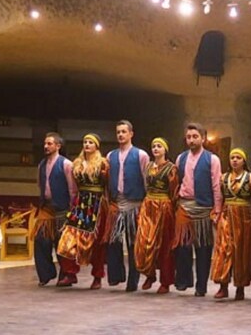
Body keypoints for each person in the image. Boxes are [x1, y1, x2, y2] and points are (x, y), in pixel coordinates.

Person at [173, 122, 222, 297]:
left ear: (203, 138)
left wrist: (217, 210)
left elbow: (216, 186)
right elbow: (178, 181)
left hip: (204, 207)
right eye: (189, 137)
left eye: (195, 137)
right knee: (182, 245)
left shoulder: (212, 159)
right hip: (185, 205)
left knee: (203, 248)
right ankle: (184, 280)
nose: (192, 140)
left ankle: (201, 286)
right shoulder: (181, 158)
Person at [57, 133, 109, 289]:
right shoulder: (77, 163)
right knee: (66, 240)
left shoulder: (103, 163)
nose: (87, 144)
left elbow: (108, 186)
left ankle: (97, 277)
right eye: (85, 142)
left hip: (97, 204)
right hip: (80, 205)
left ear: (96, 146)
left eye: (90, 142)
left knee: (96, 244)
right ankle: (70, 273)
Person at [105, 119, 149, 292]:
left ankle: (133, 281)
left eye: (124, 131)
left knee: (132, 244)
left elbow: (146, 180)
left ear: (131, 134)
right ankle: (116, 276)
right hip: (117, 203)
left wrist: (145, 204)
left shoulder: (141, 155)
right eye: (118, 132)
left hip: (135, 204)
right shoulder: (110, 156)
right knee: (113, 241)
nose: (121, 135)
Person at [211, 148, 251, 301]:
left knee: (242, 252)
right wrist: (217, 214)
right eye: (232, 157)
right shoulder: (223, 178)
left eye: (238, 157)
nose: (235, 160)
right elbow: (219, 197)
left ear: (244, 160)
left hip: (244, 218)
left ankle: (240, 287)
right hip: (226, 215)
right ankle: (223, 285)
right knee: (223, 249)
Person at [134, 137, 179, 294]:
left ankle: (165, 282)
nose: (156, 149)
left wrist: (172, 209)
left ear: (165, 149)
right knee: (145, 241)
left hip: (164, 207)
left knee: (164, 245)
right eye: (153, 146)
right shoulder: (148, 167)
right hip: (148, 205)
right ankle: (149, 273)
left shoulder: (171, 168)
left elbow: (174, 191)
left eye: (159, 146)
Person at [34, 132, 77, 286]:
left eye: (49, 143)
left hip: (62, 208)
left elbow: (72, 188)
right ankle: (45, 274)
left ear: (58, 146)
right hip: (46, 208)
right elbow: (40, 184)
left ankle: (66, 275)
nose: (46, 146)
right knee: (40, 240)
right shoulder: (41, 165)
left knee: (62, 244)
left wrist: (71, 210)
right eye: (45, 144)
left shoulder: (66, 164)